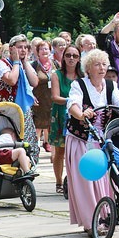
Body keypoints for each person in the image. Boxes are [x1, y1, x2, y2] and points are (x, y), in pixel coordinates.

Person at [65, 49, 119, 236]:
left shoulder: (110, 85)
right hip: (81, 138)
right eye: (97, 65)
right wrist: (81, 114)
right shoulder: (79, 85)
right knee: (85, 181)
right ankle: (89, 221)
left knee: (107, 179)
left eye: (103, 64)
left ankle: (106, 215)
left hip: (102, 139)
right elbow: (73, 104)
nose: (102, 68)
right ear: (88, 68)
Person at [0, 34, 40, 163]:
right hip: (6, 112)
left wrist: (24, 62)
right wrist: (16, 62)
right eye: (20, 47)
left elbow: (34, 82)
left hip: (22, 111)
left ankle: (28, 166)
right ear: (11, 49)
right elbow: (11, 80)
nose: (23, 50)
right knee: (9, 140)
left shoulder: (24, 64)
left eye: (25, 47)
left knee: (29, 142)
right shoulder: (1, 64)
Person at [49, 45, 83, 194]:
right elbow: (55, 97)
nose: (71, 58)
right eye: (68, 55)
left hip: (78, 115)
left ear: (79, 59)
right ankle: (58, 181)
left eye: (75, 56)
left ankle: (74, 180)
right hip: (61, 114)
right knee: (60, 151)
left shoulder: (83, 76)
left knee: (77, 151)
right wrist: (72, 101)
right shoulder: (57, 75)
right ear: (63, 57)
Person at [98, 14, 119, 100]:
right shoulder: (109, 47)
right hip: (114, 93)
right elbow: (101, 36)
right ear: (115, 35)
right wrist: (113, 23)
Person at [32, 40, 54, 153]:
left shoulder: (56, 64)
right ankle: (35, 146)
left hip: (52, 98)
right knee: (39, 123)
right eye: (41, 49)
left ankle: (48, 143)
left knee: (51, 122)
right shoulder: (34, 65)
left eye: (46, 49)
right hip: (39, 98)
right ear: (37, 52)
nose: (44, 51)